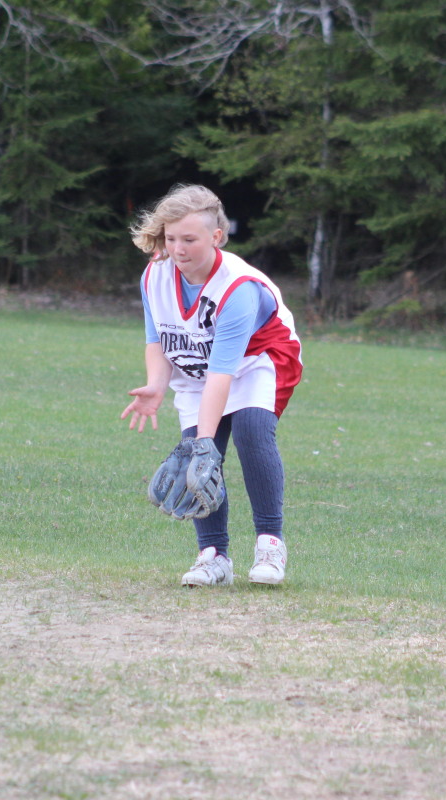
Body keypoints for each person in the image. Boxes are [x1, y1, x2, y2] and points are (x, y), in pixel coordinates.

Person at [121, 184, 303, 587]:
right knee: (198, 452)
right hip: (195, 362)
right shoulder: (155, 274)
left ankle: (270, 545)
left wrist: (204, 444)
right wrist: (155, 384)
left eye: (189, 239)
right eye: (170, 238)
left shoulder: (238, 289)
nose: (178, 248)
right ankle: (213, 557)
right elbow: (159, 339)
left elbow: (223, 374)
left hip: (259, 356)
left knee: (250, 430)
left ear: (216, 236)